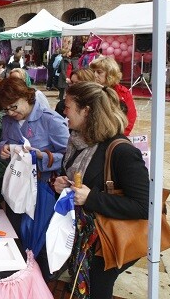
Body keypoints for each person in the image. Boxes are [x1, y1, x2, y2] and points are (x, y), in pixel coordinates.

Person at [53, 82, 149, 299]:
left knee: (98, 285)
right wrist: (60, 184)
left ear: (86, 111)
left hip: (110, 237)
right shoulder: (77, 141)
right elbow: (77, 181)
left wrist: (91, 198)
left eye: (68, 106)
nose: (63, 110)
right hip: (87, 233)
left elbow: (144, 206)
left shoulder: (120, 150)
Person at [0, 77, 69, 276]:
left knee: (38, 239)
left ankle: (39, 280)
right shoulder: (8, 120)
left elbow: (70, 156)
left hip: (41, 190)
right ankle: (18, 277)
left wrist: (40, 157)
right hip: (16, 188)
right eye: (6, 109)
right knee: (16, 233)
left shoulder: (50, 120)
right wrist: (3, 149)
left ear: (25, 96)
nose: (11, 112)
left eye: (13, 106)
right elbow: (2, 142)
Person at [89, 56, 137, 135]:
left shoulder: (123, 93)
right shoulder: (90, 90)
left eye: (99, 72)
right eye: (93, 71)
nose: (95, 75)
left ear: (110, 74)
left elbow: (130, 118)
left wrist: (120, 136)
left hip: (117, 135)